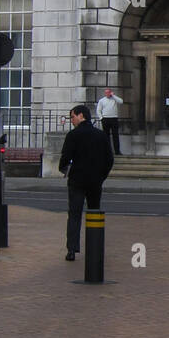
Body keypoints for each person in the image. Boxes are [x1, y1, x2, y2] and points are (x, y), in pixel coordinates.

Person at [58, 104, 114, 261]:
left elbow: (65, 158)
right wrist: (101, 176)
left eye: (72, 117)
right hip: (95, 181)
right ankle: (94, 246)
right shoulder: (101, 135)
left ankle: (72, 249)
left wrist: (65, 169)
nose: (71, 120)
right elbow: (109, 159)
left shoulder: (73, 135)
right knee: (94, 214)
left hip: (77, 180)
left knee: (74, 215)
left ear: (81, 115)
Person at [96, 88, 124, 155]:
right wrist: (101, 118)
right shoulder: (102, 100)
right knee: (106, 136)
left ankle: (117, 151)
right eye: (106, 92)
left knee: (115, 135)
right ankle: (107, 151)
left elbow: (121, 101)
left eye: (109, 92)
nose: (107, 94)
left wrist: (114, 96)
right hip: (105, 119)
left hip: (114, 118)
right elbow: (98, 110)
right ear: (105, 93)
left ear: (111, 92)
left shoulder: (114, 99)